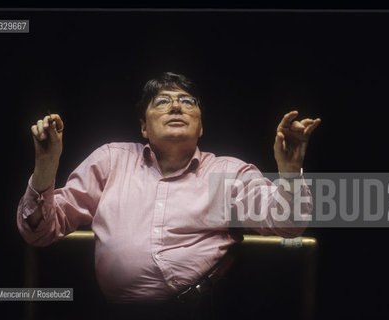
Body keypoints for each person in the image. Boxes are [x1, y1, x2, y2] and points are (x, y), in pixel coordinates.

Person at [17, 72, 321, 319]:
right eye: (162, 102)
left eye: (188, 101)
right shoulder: (111, 161)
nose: (176, 107)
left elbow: (289, 225)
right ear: (144, 127)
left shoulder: (226, 174)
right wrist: (46, 166)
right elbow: (40, 232)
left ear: (200, 126)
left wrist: (290, 171)